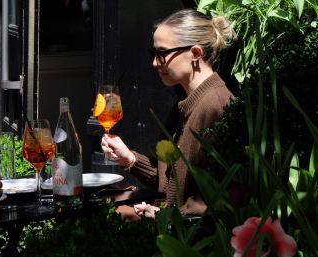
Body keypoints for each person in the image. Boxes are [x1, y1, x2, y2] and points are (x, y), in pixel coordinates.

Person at [101, 9, 236, 220]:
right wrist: (130, 159)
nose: (155, 62)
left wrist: (165, 216)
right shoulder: (184, 106)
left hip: (186, 237)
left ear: (195, 53)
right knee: (99, 202)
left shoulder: (216, 106)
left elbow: (215, 202)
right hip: (169, 224)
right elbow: (172, 182)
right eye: (153, 53)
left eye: (162, 53)